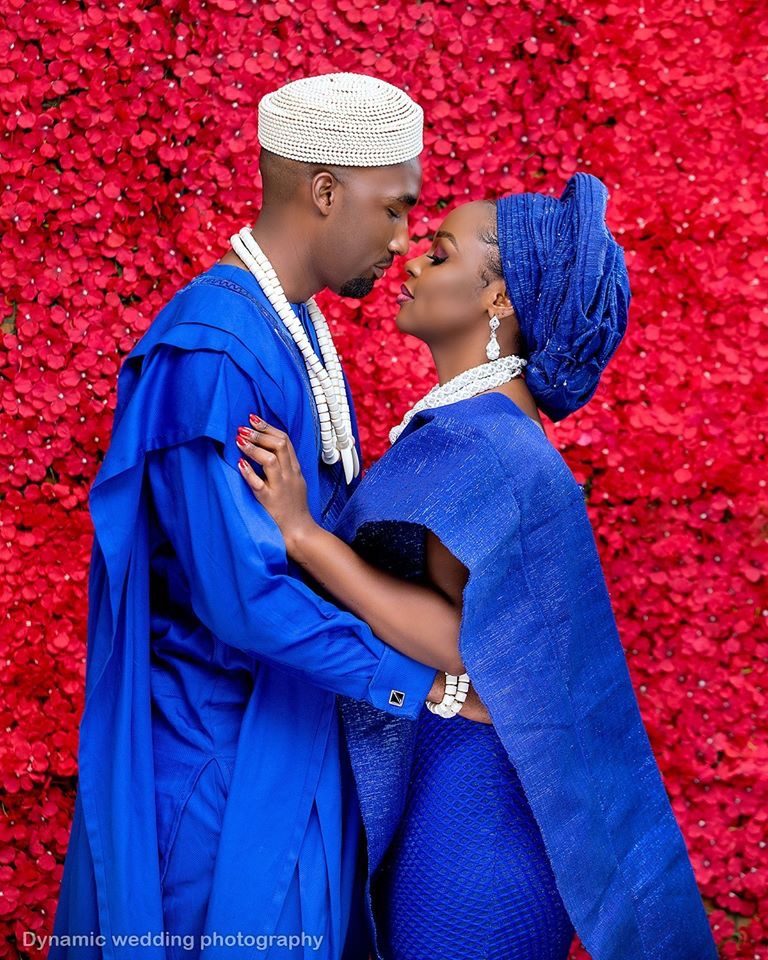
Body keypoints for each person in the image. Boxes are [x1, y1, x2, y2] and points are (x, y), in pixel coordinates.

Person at [49, 72, 490, 960]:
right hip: (219, 778)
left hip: (292, 747)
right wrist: (429, 687)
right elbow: (241, 597)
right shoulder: (215, 352)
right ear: (325, 191)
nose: (402, 240)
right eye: (395, 208)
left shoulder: (295, 325)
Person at [233, 173, 720, 960]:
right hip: (463, 797)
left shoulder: (488, 442)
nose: (411, 261)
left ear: (499, 300)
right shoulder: (481, 427)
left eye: (440, 252)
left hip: (478, 833)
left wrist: (302, 534)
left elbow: (469, 643)